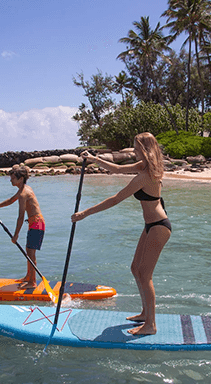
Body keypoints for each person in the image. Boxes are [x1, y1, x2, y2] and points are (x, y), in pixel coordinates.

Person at [71, 133, 171, 335]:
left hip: (159, 226)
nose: (133, 151)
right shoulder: (145, 166)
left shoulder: (144, 175)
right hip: (151, 225)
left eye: (135, 148)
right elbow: (116, 168)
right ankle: (145, 313)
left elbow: (116, 199)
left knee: (145, 274)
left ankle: (151, 325)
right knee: (136, 268)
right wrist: (94, 159)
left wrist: (85, 213)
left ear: (144, 149)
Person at [0, 165, 45, 289]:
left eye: (13, 178)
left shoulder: (24, 193)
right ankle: (28, 277)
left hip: (37, 223)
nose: (10, 180)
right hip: (34, 223)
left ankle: (32, 282)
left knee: (31, 253)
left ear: (21, 178)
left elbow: (20, 216)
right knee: (29, 251)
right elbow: (11, 200)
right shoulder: (23, 188)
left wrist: (16, 235)